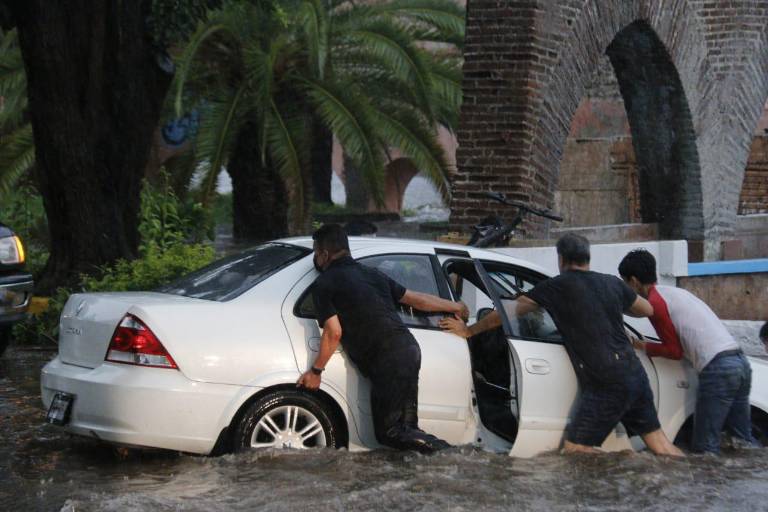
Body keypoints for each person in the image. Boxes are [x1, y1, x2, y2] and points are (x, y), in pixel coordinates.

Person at [440, 234, 683, 456]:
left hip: (607, 381)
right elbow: (647, 309)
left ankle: (618, 469)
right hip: (634, 373)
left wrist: (469, 330)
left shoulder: (558, 286)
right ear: (588, 258)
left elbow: (508, 312)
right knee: (660, 445)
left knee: (576, 451)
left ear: (561, 259)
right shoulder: (612, 283)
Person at [296, 224, 468, 453]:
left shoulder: (324, 283)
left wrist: (316, 371)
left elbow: (333, 332)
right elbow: (416, 300)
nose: (316, 259)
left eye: (316, 253)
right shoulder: (372, 274)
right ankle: (428, 467)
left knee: (390, 433)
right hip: (408, 349)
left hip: (387, 358)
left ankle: (452, 455)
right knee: (406, 430)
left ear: (324, 254)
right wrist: (455, 306)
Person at [618, 249, 756, 454]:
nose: (626, 290)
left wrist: (643, 346)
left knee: (704, 448)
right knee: (742, 441)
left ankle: (708, 486)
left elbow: (673, 351)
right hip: (740, 362)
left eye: (625, 283)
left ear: (634, 281)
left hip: (718, 369)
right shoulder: (674, 294)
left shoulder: (655, 304)